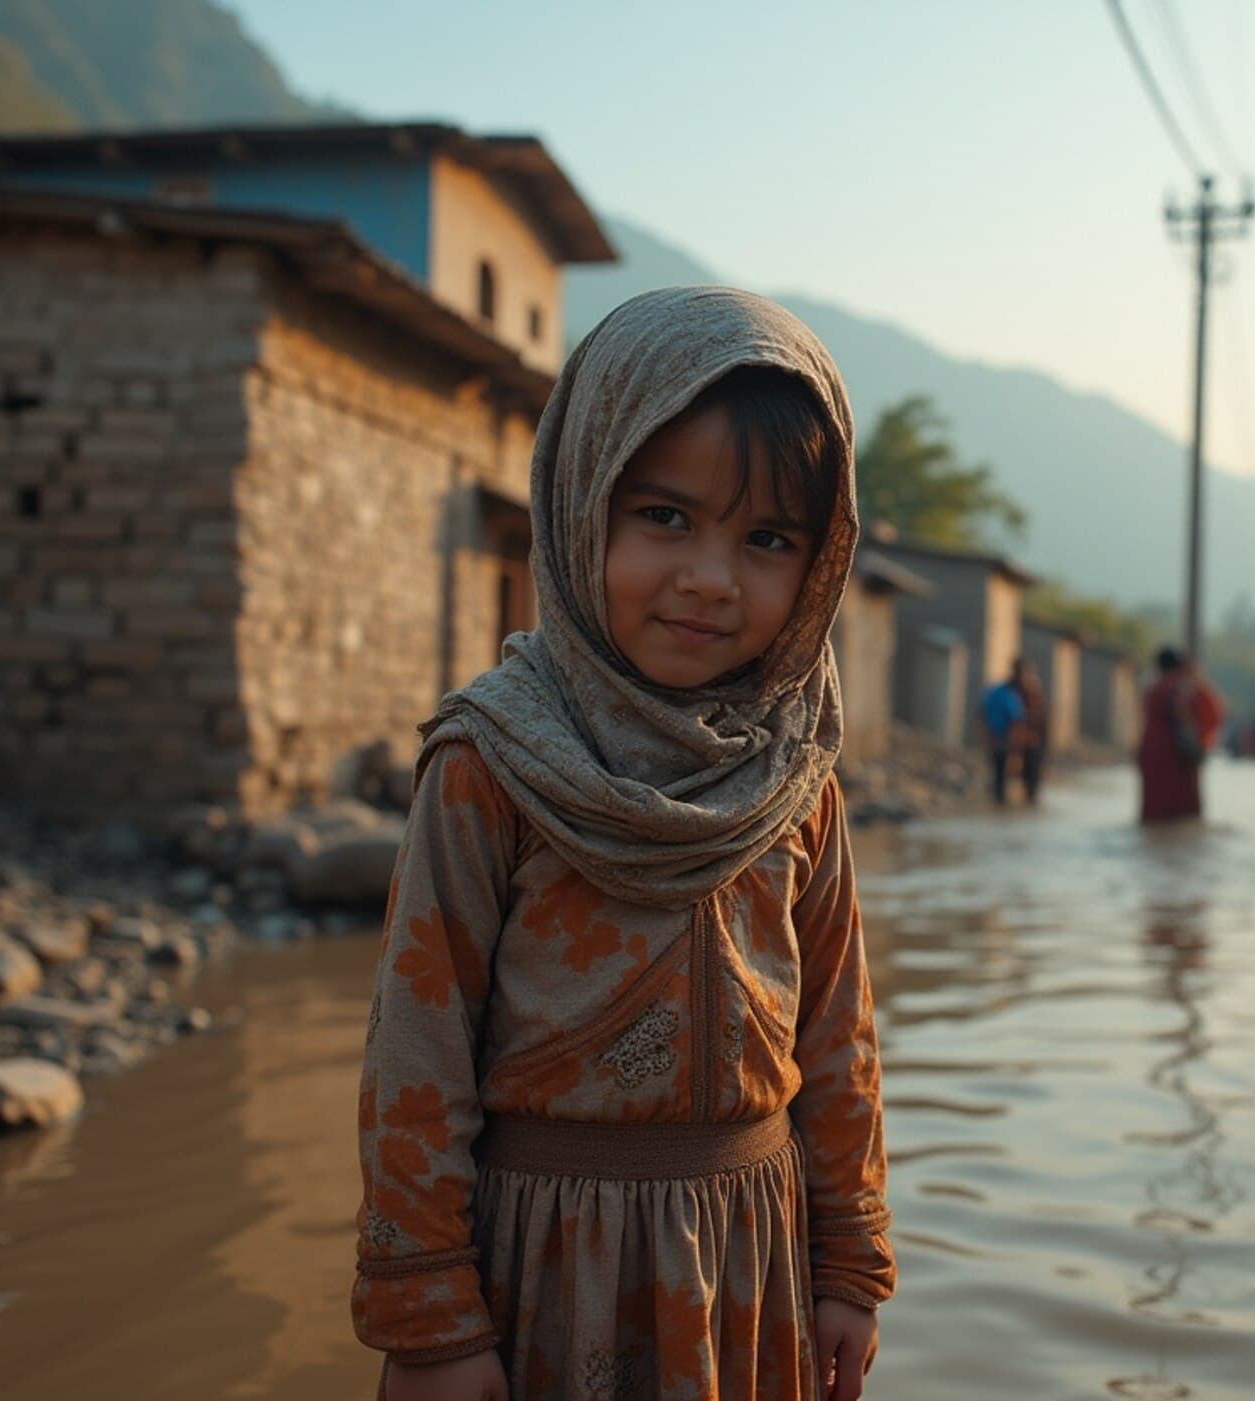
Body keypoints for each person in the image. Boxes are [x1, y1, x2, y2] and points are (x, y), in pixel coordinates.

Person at [352, 288, 893, 1401]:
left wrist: (848, 1264)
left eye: (766, 539)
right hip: (546, 1263)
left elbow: (839, 1037)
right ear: (581, 499)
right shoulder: (493, 761)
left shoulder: (793, 777)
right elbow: (417, 1051)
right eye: (664, 518)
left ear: (818, 562)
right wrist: (432, 1325)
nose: (709, 577)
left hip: (751, 1257)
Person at [1137, 647, 1226, 822]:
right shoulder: (1179, 688)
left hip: (1150, 745)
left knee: (1155, 799)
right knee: (1180, 802)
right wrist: (1196, 745)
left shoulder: (1151, 688)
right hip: (1172, 749)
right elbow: (1186, 717)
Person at [981, 665, 1026, 805]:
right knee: (1003, 768)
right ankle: (1000, 797)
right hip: (1004, 737)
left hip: (993, 735)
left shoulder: (993, 693)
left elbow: (981, 713)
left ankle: (997, 796)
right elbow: (1016, 719)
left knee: (996, 767)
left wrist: (986, 734)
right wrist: (1015, 740)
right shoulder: (1009, 696)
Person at [1012, 657, 1048, 804]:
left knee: (1032, 771)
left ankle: (1030, 798)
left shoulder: (1034, 690)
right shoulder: (1012, 689)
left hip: (1034, 738)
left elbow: (1041, 717)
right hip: (1018, 736)